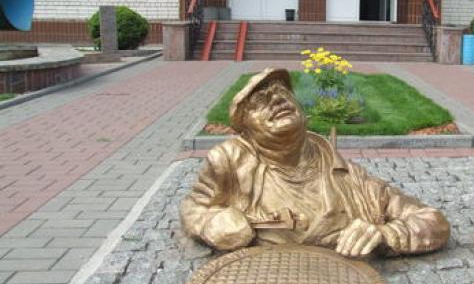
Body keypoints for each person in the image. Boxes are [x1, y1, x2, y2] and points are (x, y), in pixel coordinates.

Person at [180, 68, 450, 258]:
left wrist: (385, 234)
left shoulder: (350, 177)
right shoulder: (229, 163)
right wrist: (211, 224)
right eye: (260, 101)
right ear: (246, 130)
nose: (278, 99)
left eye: (283, 93)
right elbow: (194, 209)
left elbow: (434, 222)